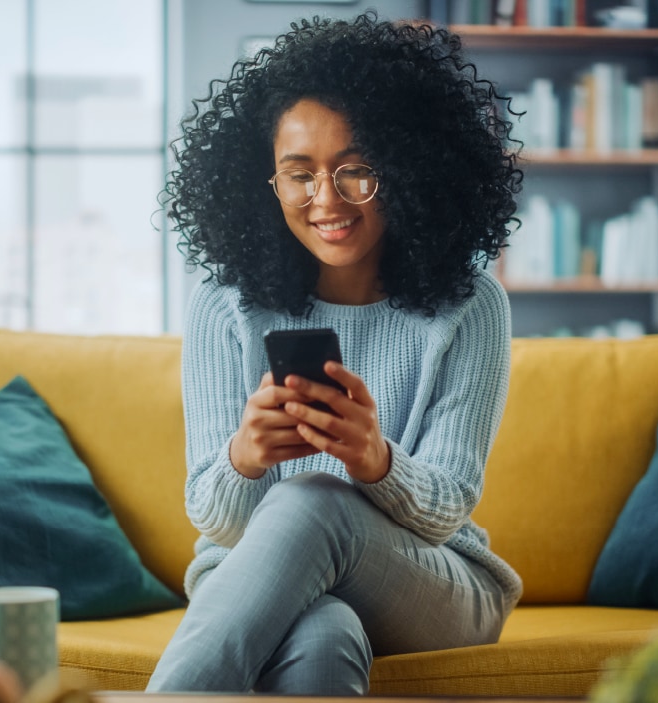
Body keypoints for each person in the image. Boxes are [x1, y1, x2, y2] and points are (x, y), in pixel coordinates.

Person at [147, 10, 524, 696]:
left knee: (315, 498)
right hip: (251, 578)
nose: (326, 199)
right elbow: (216, 518)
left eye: (356, 171)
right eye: (299, 174)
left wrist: (373, 460)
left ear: (410, 171)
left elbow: (445, 511)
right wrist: (247, 455)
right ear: (266, 183)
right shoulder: (222, 303)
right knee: (324, 637)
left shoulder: (470, 305)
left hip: (432, 584)